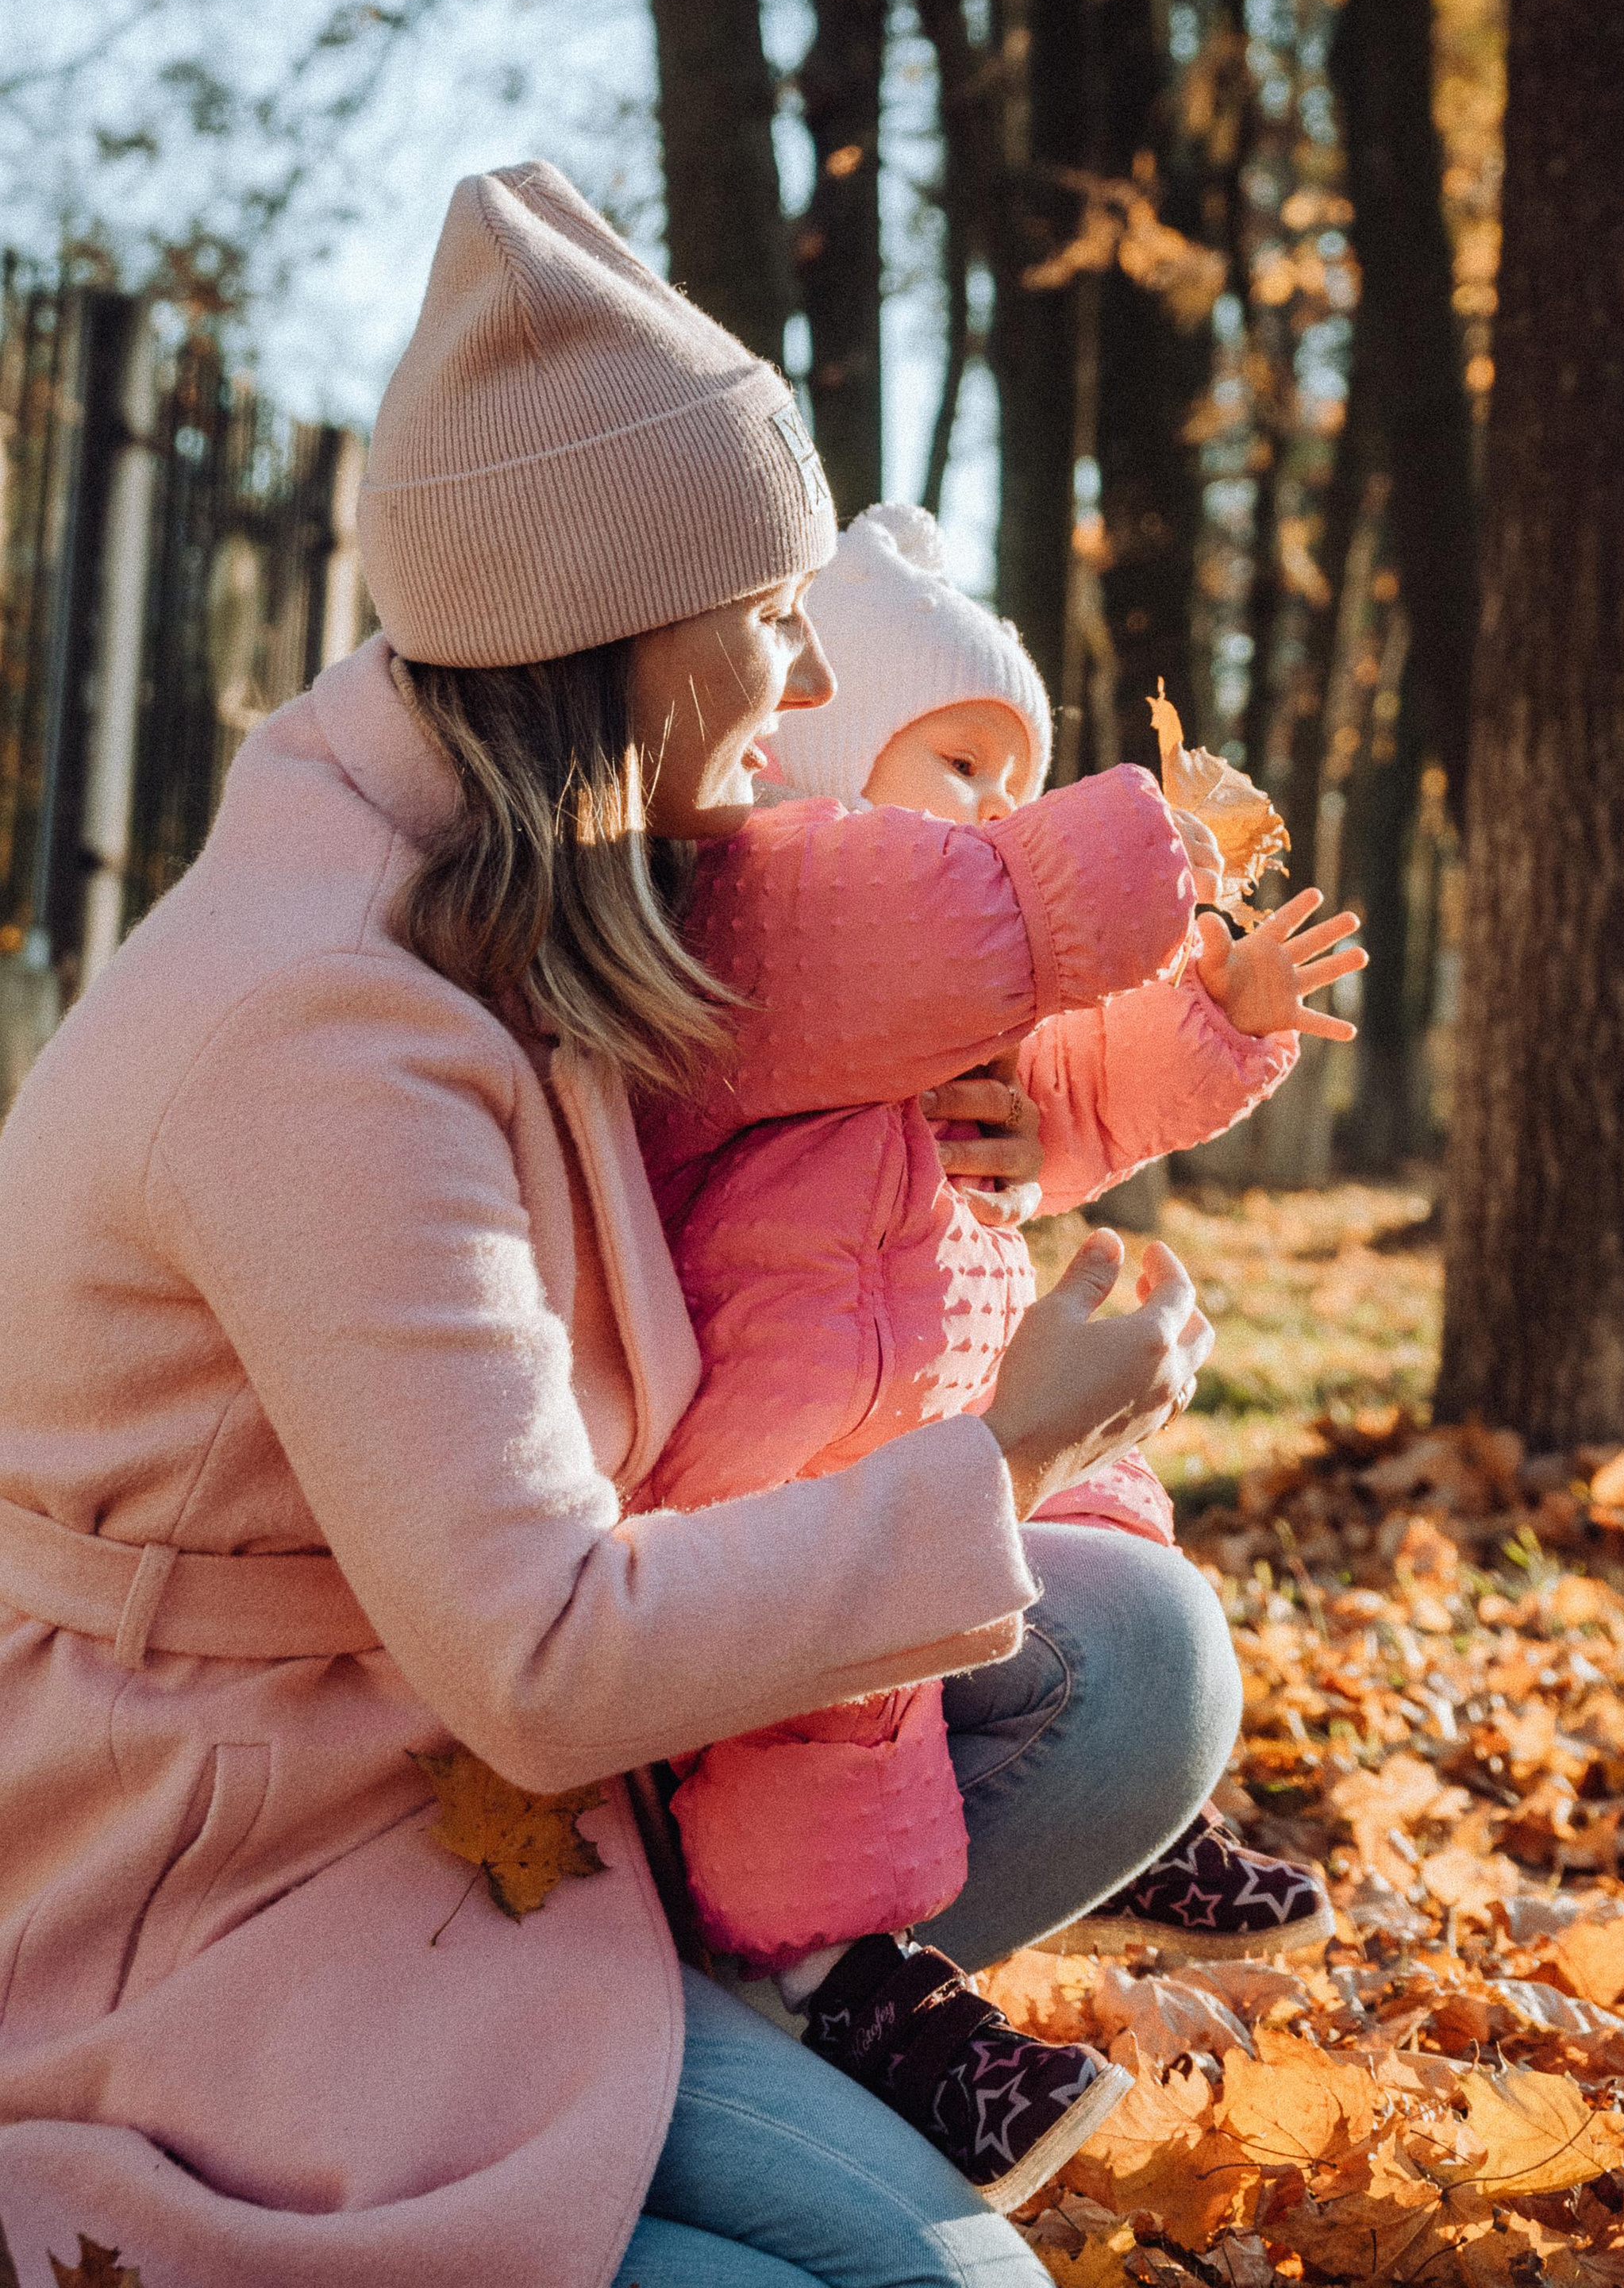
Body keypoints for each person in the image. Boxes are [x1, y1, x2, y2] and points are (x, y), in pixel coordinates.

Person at [0, 161, 1232, 2288]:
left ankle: (733, 2027)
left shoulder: (522, 888)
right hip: (223, 1885)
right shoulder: (322, 1043)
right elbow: (551, 1657)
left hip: (479, 1808)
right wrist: (1008, 1449)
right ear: (614, 629)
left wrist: (972, 1133)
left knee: (1127, 1665)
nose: (801, 667)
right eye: (765, 609)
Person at [635, 503, 1365, 2204]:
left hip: (945, 1397)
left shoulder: (959, 1007)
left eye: (1014, 777)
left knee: (1107, 1497)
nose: (994, 807)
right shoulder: (778, 903)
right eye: (957, 763)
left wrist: (1217, 1019)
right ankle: (824, 1977)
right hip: (796, 1430)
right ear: (831, 754)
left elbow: (1087, 1085)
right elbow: (962, 919)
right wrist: (1143, 851)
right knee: (830, 1706)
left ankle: (1130, 1813)